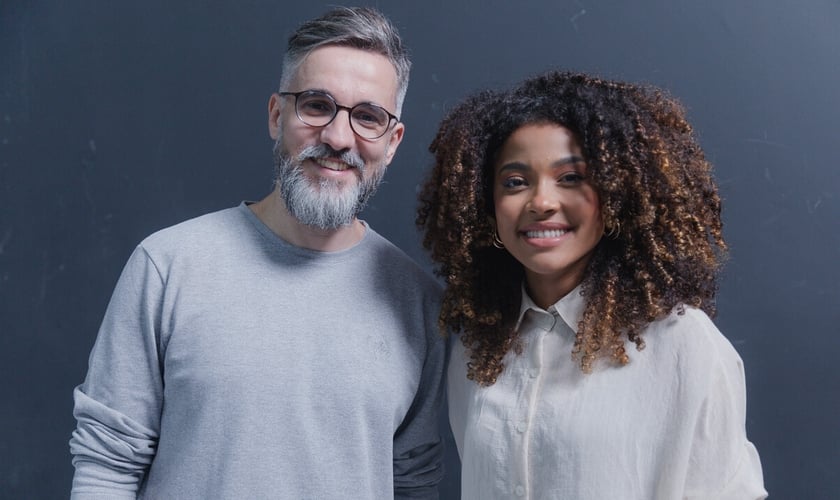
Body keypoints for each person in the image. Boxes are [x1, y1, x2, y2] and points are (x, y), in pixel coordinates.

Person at [70, 7, 445, 499]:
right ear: (276, 115)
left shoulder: (417, 304)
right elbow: (107, 467)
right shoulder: (167, 267)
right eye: (316, 105)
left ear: (392, 142)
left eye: (368, 117)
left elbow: (414, 484)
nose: (337, 137)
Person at [417, 71, 767, 499]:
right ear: (486, 206)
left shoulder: (683, 344)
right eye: (515, 182)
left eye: (571, 178)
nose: (541, 201)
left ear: (615, 196)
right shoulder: (478, 346)